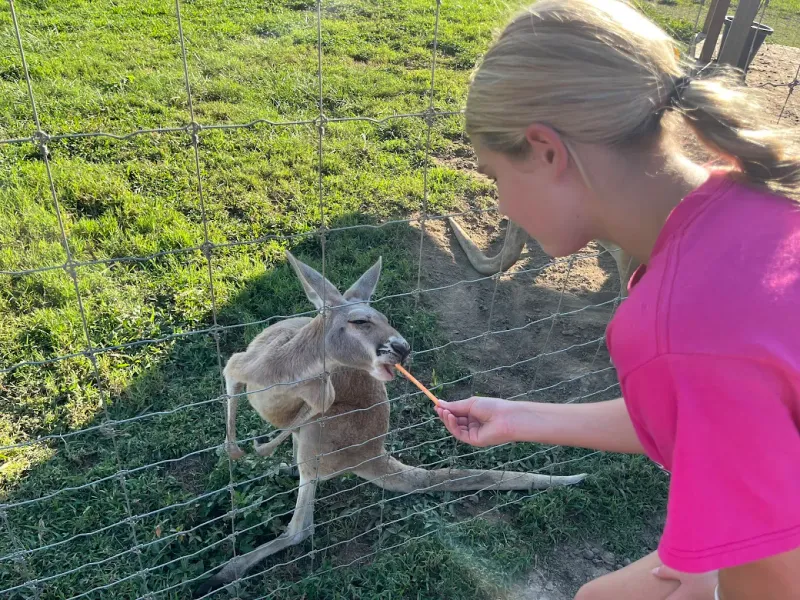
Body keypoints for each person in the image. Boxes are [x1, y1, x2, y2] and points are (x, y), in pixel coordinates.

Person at [434, 1, 800, 598]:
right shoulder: (738, 199)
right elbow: (702, 412)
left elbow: (777, 576)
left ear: (547, 151)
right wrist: (519, 417)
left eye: (494, 175)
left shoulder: (681, 331)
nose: (499, 204)